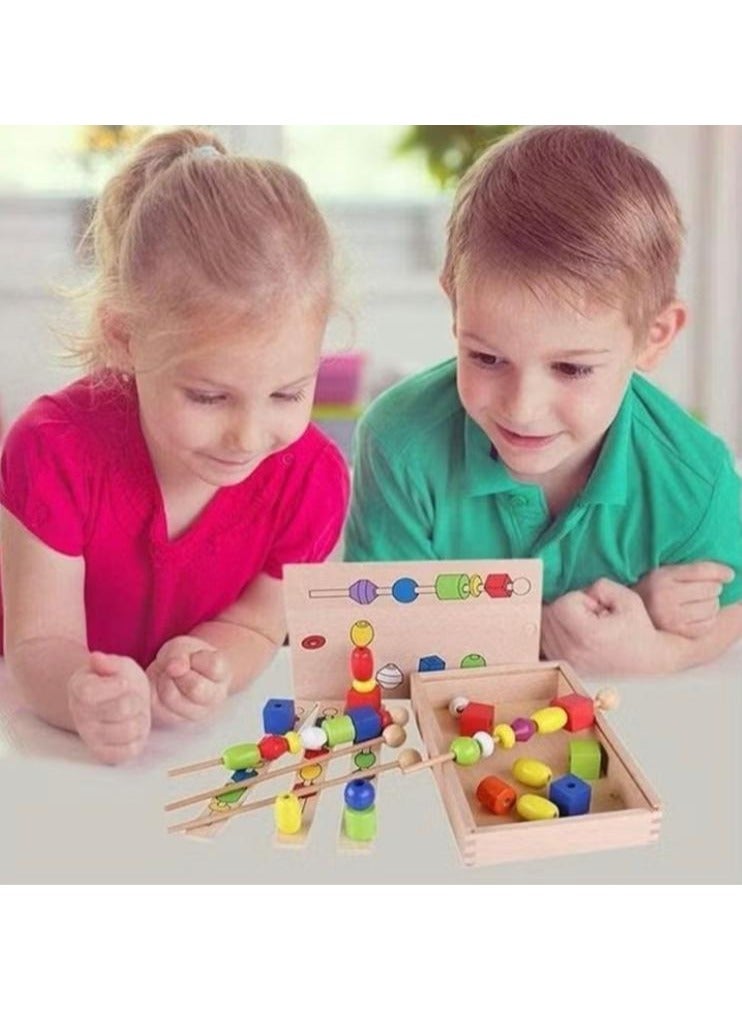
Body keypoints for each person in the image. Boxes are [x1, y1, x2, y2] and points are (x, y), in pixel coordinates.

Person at [0, 128, 349, 763]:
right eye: (209, 397)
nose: (248, 437)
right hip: (35, 743)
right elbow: (37, 644)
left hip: (179, 756)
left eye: (288, 393)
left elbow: (260, 620)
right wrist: (80, 694)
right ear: (124, 337)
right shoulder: (53, 451)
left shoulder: (311, 480)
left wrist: (214, 663)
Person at [344, 125, 742, 675]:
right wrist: (546, 626)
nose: (522, 407)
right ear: (455, 306)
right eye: (486, 357)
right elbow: (385, 626)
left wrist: (658, 651)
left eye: (571, 368)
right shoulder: (399, 441)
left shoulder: (696, 478)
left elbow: (732, 607)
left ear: (654, 337)